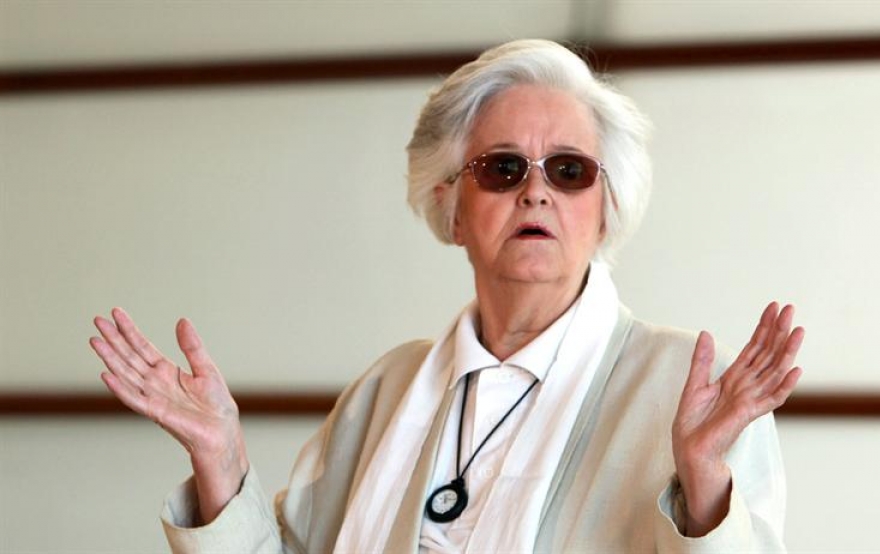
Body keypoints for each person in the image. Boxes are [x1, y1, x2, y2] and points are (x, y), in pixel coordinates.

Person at [90, 39, 804, 553]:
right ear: (451, 208)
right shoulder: (388, 388)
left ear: (605, 209)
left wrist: (703, 483)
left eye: (569, 170)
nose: (536, 191)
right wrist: (220, 459)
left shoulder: (687, 386)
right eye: (502, 168)